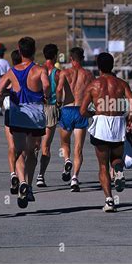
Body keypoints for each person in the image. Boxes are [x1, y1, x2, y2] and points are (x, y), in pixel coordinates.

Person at [0, 37, 50, 208]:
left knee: (19, 151)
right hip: (36, 114)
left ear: (19, 49)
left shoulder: (12, 71)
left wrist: (7, 95)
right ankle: (29, 186)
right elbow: (46, 86)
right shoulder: (40, 70)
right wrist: (45, 96)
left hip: (19, 114)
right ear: (34, 50)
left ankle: (22, 180)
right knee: (32, 151)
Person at [80, 52, 132, 212]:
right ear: (112, 65)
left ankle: (109, 200)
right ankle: (118, 170)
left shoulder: (93, 85)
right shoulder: (121, 83)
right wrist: (130, 118)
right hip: (118, 123)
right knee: (117, 158)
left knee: (103, 166)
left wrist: (94, 113)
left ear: (98, 67)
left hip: (101, 125)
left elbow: (83, 111)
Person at [56, 47, 94, 192]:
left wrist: (59, 102)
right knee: (79, 148)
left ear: (71, 59)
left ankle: (66, 160)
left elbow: (59, 89)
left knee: (65, 143)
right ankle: (74, 178)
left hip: (67, 109)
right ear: (82, 58)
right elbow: (95, 90)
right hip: (81, 110)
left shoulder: (65, 73)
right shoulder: (88, 74)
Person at [36, 44, 61, 187]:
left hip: (37, 107)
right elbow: (59, 90)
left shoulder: (38, 69)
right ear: (55, 55)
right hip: (51, 107)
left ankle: (28, 174)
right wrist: (59, 102)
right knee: (46, 146)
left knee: (35, 145)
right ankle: (41, 175)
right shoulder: (57, 73)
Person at [3, 50, 22, 194]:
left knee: (11, 147)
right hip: (26, 112)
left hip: (10, 111)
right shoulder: (29, 72)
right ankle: (23, 180)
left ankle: (12, 174)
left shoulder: (9, 74)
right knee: (23, 149)